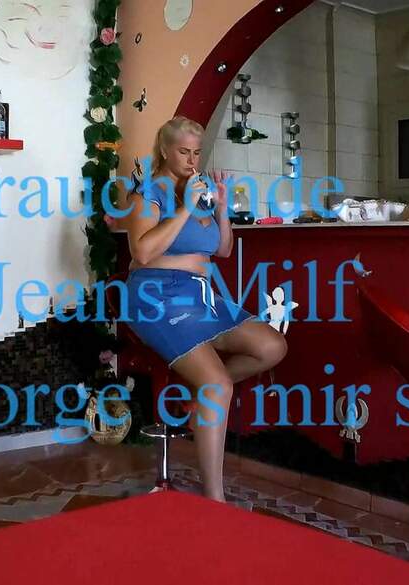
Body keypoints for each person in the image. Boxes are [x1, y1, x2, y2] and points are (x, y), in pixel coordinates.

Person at [122, 116, 287, 502]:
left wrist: (222, 208)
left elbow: (222, 249)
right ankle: (215, 500)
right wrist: (185, 208)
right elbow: (141, 253)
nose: (192, 160)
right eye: (183, 151)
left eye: (197, 152)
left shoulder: (202, 190)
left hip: (200, 295)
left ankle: (199, 401)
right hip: (156, 297)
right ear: (165, 150)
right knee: (219, 385)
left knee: (272, 346)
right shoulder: (150, 192)